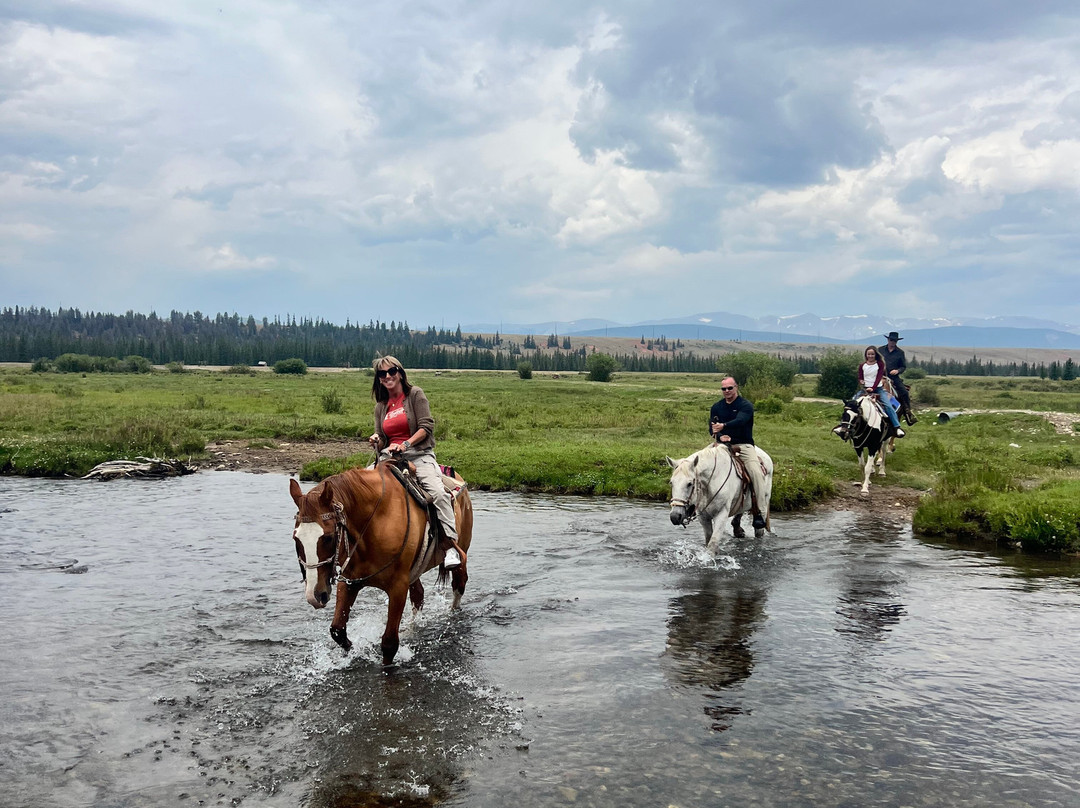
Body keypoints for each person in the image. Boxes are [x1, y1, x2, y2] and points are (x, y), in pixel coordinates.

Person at [368, 356, 461, 569]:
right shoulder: (381, 407)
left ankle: (450, 546)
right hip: (390, 458)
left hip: (419, 455)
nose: (387, 376)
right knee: (362, 490)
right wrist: (376, 439)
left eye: (391, 371)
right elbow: (383, 437)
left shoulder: (415, 395)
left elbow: (426, 426)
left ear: (400, 372)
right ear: (379, 379)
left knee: (437, 492)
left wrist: (406, 444)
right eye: (382, 374)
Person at [708, 377, 768, 532]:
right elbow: (712, 428)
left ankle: (759, 513)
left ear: (736, 387)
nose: (727, 391)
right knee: (701, 465)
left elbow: (741, 420)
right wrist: (720, 435)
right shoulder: (716, 407)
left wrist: (725, 426)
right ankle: (696, 505)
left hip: (743, 445)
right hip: (722, 445)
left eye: (730, 388)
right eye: (724, 389)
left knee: (756, 473)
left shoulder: (745, 405)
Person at [859, 346, 905, 437]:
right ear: (866, 355)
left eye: (872, 354)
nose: (870, 356)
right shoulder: (862, 365)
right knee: (851, 404)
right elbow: (860, 376)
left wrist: (873, 388)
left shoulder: (880, 364)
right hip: (865, 389)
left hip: (878, 389)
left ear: (875, 354)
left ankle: (897, 427)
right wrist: (861, 381)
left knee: (888, 405)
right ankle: (846, 426)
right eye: (869, 354)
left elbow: (878, 377)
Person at [878, 331, 916, 424]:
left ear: (897, 341)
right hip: (879, 376)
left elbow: (903, 366)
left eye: (894, 341)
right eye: (891, 340)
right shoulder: (880, 350)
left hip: (894, 378)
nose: (892, 342)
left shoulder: (900, 352)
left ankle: (908, 412)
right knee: (866, 390)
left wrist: (897, 371)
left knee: (904, 392)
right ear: (888, 340)